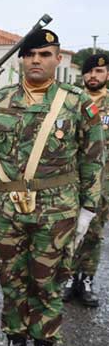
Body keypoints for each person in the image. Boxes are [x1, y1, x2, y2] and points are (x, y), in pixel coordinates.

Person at [0, 30, 104, 346]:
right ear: (21, 59)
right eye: (29, 53)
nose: (36, 60)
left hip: (57, 211)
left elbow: (93, 160)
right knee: (11, 282)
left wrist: (87, 211)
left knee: (47, 284)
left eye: (44, 54)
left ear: (58, 59)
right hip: (8, 209)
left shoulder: (78, 103)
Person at [63, 52, 109, 308]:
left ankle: (88, 279)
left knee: (94, 232)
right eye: (89, 72)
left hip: (104, 183)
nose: (93, 76)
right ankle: (69, 278)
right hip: (73, 180)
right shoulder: (72, 103)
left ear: (107, 75)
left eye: (99, 72)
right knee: (70, 230)